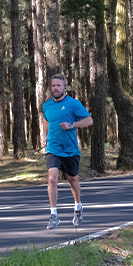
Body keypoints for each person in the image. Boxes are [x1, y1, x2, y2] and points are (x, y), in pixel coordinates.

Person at [42, 74, 93, 229]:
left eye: (58, 85)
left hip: (70, 150)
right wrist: (44, 135)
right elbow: (46, 120)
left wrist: (72, 124)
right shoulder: (47, 105)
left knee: (73, 181)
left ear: (65, 87)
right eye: (53, 85)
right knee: (52, 179)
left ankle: (78, 207)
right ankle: (53, 215)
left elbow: (89, 120)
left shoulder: (73, 104)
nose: (55, 88)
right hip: (53, 148)